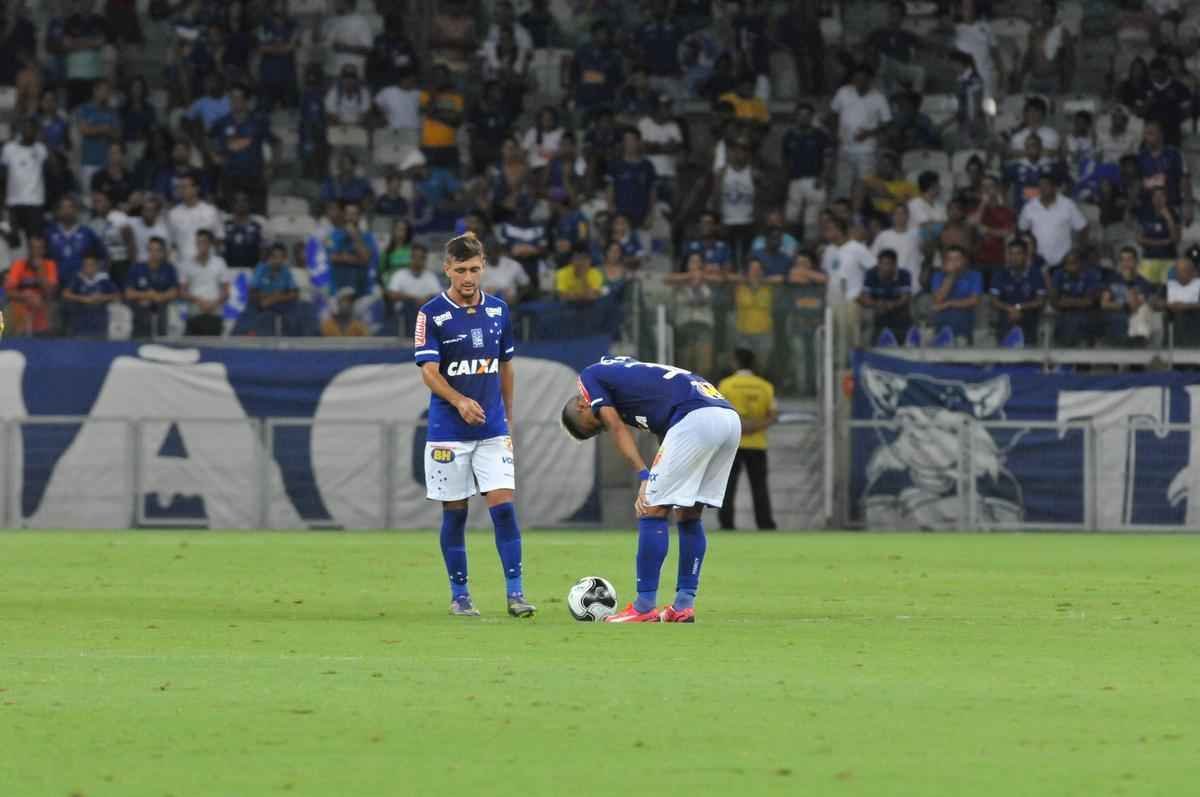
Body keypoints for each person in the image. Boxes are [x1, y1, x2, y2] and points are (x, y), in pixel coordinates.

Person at [559, 355, 741, 623]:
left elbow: (616, 427)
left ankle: (643, 607)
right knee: (689, 513)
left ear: (582, 404)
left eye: (595, 423)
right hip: (727, 417)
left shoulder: (589, 378)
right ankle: (683, 606)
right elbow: (663, 428)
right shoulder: (623, 374)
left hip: (694, 417)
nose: (602, 425)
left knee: (651, 509)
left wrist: (645, 476)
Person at [413, 232, 533, 618]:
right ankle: (460, 596)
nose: (468, 277)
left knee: (504, 510)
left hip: (492, 430)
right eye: (461, 269)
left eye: (475, 269)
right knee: (455, 513)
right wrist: (459, 400)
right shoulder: (431, 314)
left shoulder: (499, 310)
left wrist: (507, 416)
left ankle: (516, 594)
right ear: (447, 268)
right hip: (448, 433)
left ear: (484, 268)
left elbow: (505, 366)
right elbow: (429, 372)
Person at [717, 348, 778, 531]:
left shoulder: (726, 385)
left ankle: (726, 523)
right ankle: (765, 523)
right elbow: (773, 415)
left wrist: (740, 426)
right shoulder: (765, 386)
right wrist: (755, 426)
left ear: (735, 362)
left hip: (732, 442)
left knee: (728, 486)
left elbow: (718, 412)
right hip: (757, 444)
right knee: (759, 486)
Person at [829, 64, 891, 198]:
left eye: (863, 79)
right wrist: (834, 133)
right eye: (856, 79)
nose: (859, 82)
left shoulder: (879, 97)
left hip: (866, 150)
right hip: (844, 148)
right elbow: (833, 113)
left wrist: (869, 133)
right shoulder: (843, 92)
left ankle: (859, 210)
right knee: (842, 185)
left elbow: (887, 123)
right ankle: (842, 209)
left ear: (870, 80)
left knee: (865, 184)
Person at [782, 103, 833, 237]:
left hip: (815, 181)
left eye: (807, 115)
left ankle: (810, 245)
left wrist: (823, 177)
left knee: (812, 221)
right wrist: (787, 178)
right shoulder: (789, 135)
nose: (803, 118)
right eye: (800, 115)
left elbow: (828, 158)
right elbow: (785, 159)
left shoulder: (821, 135)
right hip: (795, 180)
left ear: (811, 117)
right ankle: (791, 243)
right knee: (791, 217)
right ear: (796, 116)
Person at [1018, 174, 1088, 270]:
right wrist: (1031, 246)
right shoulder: (1029, 207)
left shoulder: (1067, 205)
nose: (1042, 188)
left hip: (1064, 262)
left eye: (1046, 185)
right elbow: (1022, 230)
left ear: (1054, 188)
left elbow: (1083, 228)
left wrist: (1078, 250)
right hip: (1038, 261)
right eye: (1040, 186)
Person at [989, 238, 1045, 345]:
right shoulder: (1000, 274)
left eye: (1018, 254)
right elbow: (993, 300)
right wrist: (1010, 309)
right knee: (1007, 318)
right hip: (1006, 312)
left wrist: (1018, 307)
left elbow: (1040, 301)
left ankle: (1029, 350)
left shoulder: (1036, 274)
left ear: (1026, 255)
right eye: (1011, 254)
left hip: (1028, 313)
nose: (1014, 257)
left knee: (1027, 318)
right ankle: (1004, 351)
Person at [1, 117, 49, 240]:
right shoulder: (9, 149)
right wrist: (3, 201)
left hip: (35, 202)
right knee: (14, 241)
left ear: (36, 130)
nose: (29, 130)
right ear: (21, 129)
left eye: (32, 128)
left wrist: (46, 143)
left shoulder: (41, 148)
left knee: (34, 240)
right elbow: (3, 177)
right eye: (26, 127)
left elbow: (53, 173)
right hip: (13, 202)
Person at [3, 233, 59, 336]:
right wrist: (25, 296)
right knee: (8, 312)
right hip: (20, 303)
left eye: (39, 248)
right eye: (33, 248)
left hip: (43, 304)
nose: (36, 251)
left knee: (50, 308)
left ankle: (43, 335)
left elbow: (50, 293)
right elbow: (9, 293)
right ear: (29, 250)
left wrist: (40, 271)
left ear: (44, 250)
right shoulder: (19, 265)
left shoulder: (50, 265)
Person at [124, 236, 180, 338]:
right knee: (143, 308)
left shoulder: (169, 268)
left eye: (157, 250)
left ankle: (163, 340)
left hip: (161, 305)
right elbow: (128, 293)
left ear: (163, 252)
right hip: (140, 306)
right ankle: (139, 341)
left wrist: (160, 297)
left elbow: (174, 291)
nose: (154, 253)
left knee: (164, 309)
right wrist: (146, 295)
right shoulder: (137, 268)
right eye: (151, 250)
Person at [179, 229, 230, 336]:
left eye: (204, 242)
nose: (201, 245)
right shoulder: (187, 264)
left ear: (210, 244)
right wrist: (199, 301)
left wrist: (213, 303)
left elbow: (226, 292)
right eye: (198, 242)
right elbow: (182, 292)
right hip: (194, 312)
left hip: (214, 312)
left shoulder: (220, 263)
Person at [1102, 246, 1156, 346]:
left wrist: (1129, 283)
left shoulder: (1143, 283)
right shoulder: (1111, 280)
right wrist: (1123, 305)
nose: (1126, 263)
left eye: (1129, 259)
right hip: (1114, 319)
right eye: (1123, 260)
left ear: (1136, 262)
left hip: (1134, 321)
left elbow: (1135, 307)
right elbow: (1104, 303)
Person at [245, 243, 302, 336]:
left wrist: (274, 299)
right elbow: (252, 292)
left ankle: (291, 338)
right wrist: (271, 297)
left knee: (296, 307)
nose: (277, 261)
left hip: (279, 303)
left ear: (284, 259)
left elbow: (294, 293)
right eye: (274, 257)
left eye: (281, 258)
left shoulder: (286, 270)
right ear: (269, 258)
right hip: (261, 304)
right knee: (253, 308)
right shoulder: (261, 268)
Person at [858, 249, 913, 344]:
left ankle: (903, 341)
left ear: (895, 265)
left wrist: (892, 305)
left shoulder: (904, 274)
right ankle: (869, 345)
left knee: (905, 312)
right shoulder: (871, 274)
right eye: (882, 264)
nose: (885, 268)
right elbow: (865, 298)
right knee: (867, 314)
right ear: (878, 264)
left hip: (898, 311)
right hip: (876, 311)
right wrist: (877, 304)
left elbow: (905, 298)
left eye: (889, 264)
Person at [930, 244, 982, 344]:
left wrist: (948, 304)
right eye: (950, 259)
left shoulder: (975, 275)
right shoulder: (938, 276)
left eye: (957, 259)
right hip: (942, 323)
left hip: (963, 324)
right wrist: (951, 276)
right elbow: (938, 300)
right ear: (945, 262)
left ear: (964, 260)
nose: (953, 262)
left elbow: (974, 301)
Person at [1049, 249, 1102, 347]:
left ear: (1080, 263)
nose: (1071, 267)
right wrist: (1079, 301)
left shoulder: (1090, 274)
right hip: (1063, 314)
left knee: (1081, 320)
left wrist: (1066, 301)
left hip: (1085, 315)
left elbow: (1089, 302)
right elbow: (1054, 301)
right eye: (1067, 264)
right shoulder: (1058, 274)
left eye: (1074, 263)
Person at [386, 245, 443, 335]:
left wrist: (426, 299)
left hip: (425, 307)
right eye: (415, 257)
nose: (417, 260)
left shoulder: (430, 276)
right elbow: (391, 294)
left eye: (421, 258)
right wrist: (412, 298)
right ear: (411, 258)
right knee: (410, 304)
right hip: (405, 308)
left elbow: (439, 296)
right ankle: (412, 336)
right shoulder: (400, 274)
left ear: (424, 260)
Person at [167, 173, 221, 265]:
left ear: (196, 188)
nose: (181, 190)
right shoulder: (173, 214)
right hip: (183, 264)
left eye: (185, 187)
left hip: (207, 265)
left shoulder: (211, 211)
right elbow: (172, 244)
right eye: (179, 187)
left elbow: (219, 239)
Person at [61, 252, 119, 337]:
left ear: (96, 267)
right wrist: (83, 298)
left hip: (100, 318)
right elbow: (65, 294)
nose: (87, 267)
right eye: (85, 265)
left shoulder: (103, 280)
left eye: (90, 265)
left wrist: (101, 297)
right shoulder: (78, 279)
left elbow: (117, 295)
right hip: (81, 318)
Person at [1167, 255, 1200, 345]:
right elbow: (1154, 302)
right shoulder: (1170, 284)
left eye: (1183, 271)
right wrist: (1168, 304)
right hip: (1174, 316)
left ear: (1192, 272)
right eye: (1177, 271)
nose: (1179, 274)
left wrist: (1186, 306)